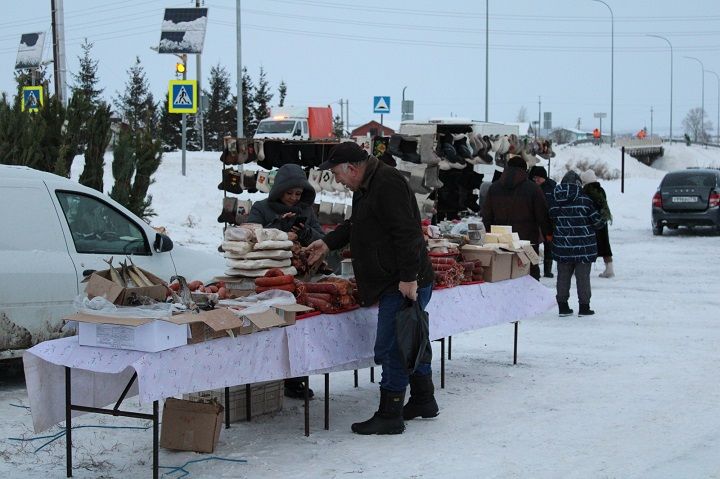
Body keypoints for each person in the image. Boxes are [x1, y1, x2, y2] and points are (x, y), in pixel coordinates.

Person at [306, 142, 436, 435]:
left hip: (400, 281)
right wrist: (328, 242)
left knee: (392, 347)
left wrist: (408, 277)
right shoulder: (367, 185)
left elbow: (408, 233)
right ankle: (424, 400)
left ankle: (390, 414)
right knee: (411, 340)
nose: (337, 180)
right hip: (397, 277)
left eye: (338, 175)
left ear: (351, 168)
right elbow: (359, 224)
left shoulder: (387, 183)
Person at [247, 163, 324, 399]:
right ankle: (265, 375)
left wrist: (305, 233)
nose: (293, 198)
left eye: (298, 194)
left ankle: (295, 377)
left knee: (297, 325)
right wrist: (277, 230)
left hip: (298, 278)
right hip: (266, 276)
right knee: (271, 326)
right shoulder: (261, 208)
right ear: (278, 189)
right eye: (288, 193)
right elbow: (249, 235)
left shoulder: (306, 210)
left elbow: (321, 237)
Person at [482, 155, 552, 280]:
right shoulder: (533, 189)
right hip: (527, 241)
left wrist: (487, 235)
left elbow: (487, 215)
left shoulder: (494, 188)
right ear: (525, 171)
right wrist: (548, 234)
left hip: (500, 242)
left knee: (502, 275)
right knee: (530, 274)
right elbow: (542, 215)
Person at [548, 171, 605, 317]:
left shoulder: (555, 200)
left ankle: (563, 307)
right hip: (583, 247)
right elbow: (597, 222)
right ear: (579, 184)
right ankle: (584, 307)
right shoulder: (585, 200)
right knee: (583, 278)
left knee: (563, 277)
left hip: (562, 247)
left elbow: (550, 219)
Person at [580, 170, 614, 278]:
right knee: (604, 245)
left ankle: (583, 270)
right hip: (602, 221)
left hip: (590, 222)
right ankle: (609, 269)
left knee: (588, 246)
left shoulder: (586, 191)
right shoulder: (601, 190)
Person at [528, 165, 557, 278]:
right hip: (536, 221)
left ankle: (547, 270)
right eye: (535, 178)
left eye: (538, 178)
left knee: (548, 246)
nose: (536, 180)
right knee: (534, 245)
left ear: (544, 177)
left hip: (549, 220)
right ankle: (535, 269)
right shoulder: (533, 187)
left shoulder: (552, 187)